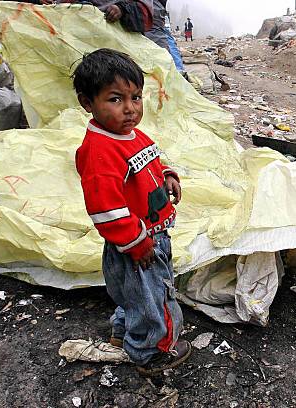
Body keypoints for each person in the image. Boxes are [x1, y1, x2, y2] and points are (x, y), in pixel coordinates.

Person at [72, 49, 191, 376]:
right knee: (156, 299)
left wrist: (168, 175)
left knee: (135, 297)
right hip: (138, 246)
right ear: (88, 103)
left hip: (146, 237)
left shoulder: (132, 134)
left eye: (135, 97)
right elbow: (106, 209)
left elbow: (150, 161)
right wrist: (138, 244)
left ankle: (123, 333)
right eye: (115, 99)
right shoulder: (99, 152)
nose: (130, 108)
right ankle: (151, 352)